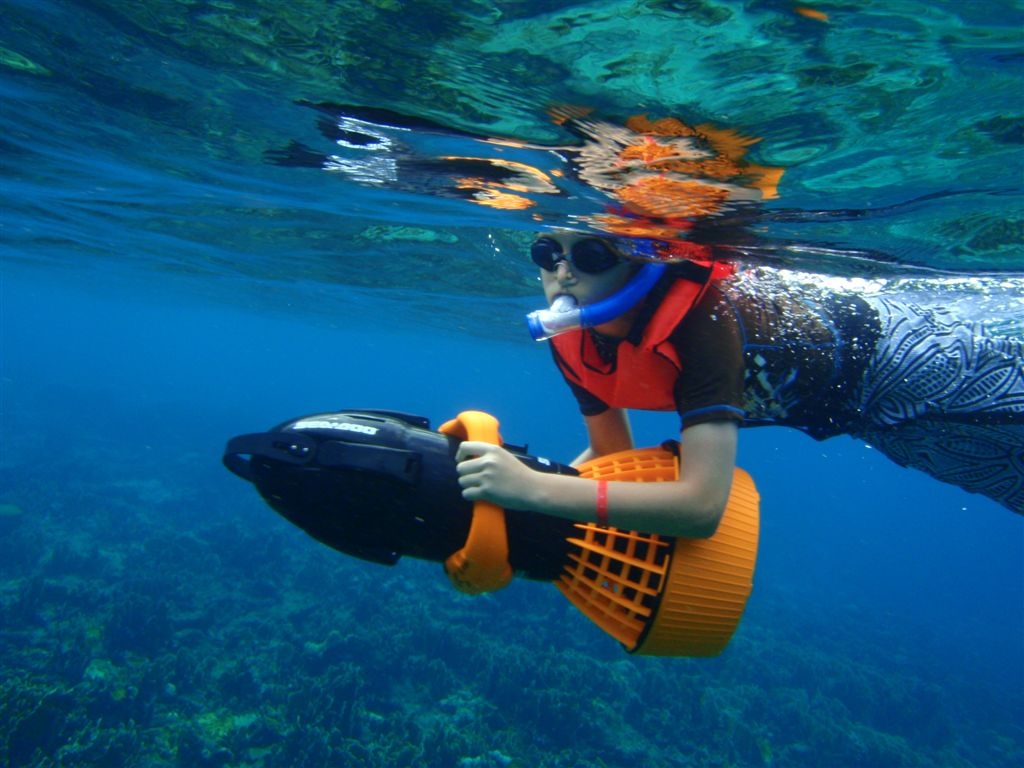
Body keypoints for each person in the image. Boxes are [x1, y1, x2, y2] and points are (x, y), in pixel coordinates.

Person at [453, 231, 1024, 535]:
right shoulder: (573, 342)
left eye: (593, 253)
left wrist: (531, 491)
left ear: (642, 260)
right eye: (547, 252)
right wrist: (530, 492)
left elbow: (702, 508)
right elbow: (610, 458)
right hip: (860, 419)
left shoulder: (703, 321)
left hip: (907, 359)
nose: (563, 271)